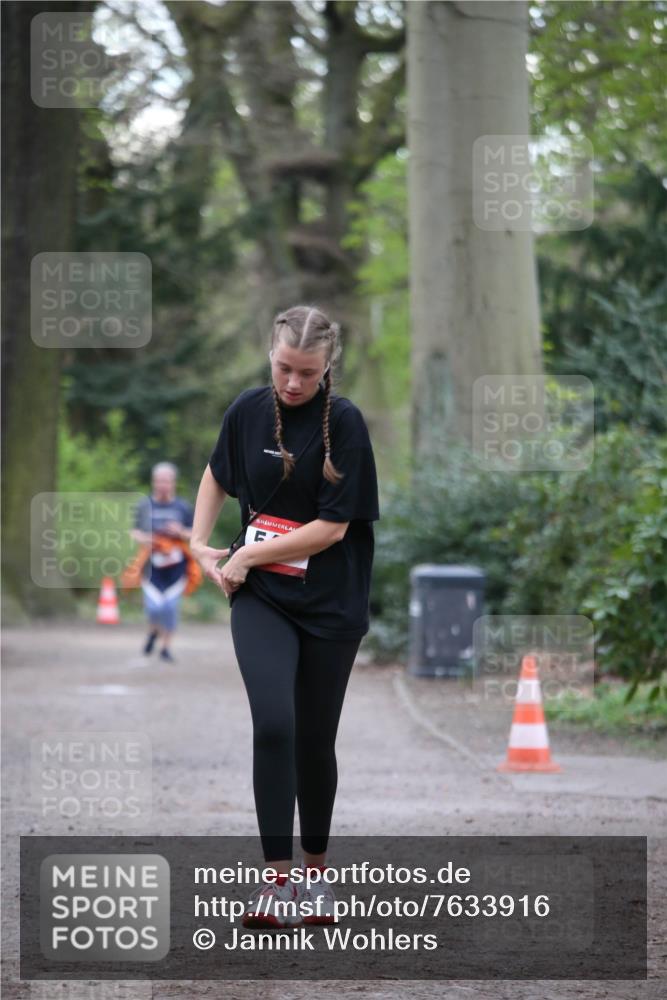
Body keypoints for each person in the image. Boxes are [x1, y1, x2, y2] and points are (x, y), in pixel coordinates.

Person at [190, 305, 380, 929]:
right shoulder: (247, 409)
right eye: (283, 368)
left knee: (314, 739)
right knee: (274, 725)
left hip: (330, 602)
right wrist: (200, 542)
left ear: (329, 367)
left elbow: (332, 529)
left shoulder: (344, 424)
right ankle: (276, 884)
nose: (293, 382)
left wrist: (247, 552)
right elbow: (217, 473)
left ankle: (318, 875)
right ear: (269, 356)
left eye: (307, 372)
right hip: (263, 597)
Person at [131, 462, 194, 663]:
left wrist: (180, 532)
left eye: (166, 481)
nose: (162, 485)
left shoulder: (183, 507)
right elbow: (134, 532)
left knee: (169, 608)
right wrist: (146, 539)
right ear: (153, 482)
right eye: (159, 481)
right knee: (153, 608)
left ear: (173, 482)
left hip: (176, 569)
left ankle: (166, 647)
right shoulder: (144, 505)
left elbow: (195, 534)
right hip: (151, 568)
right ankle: (153, 632)